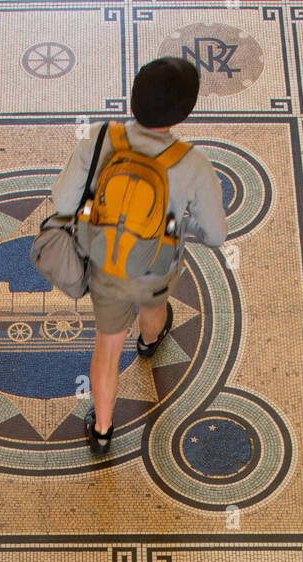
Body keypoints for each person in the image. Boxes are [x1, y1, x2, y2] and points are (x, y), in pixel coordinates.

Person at [52, 57, 228, 454]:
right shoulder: (193, 163)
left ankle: (101, 429)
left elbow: (61, 200)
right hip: (155, 265)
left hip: (105, 264)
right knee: (153, 305)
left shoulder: (99, 138)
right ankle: (150, 341)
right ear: (186, 110)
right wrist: (182, 227)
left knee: (107, 347)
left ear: (133, 96)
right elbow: (216, 234)